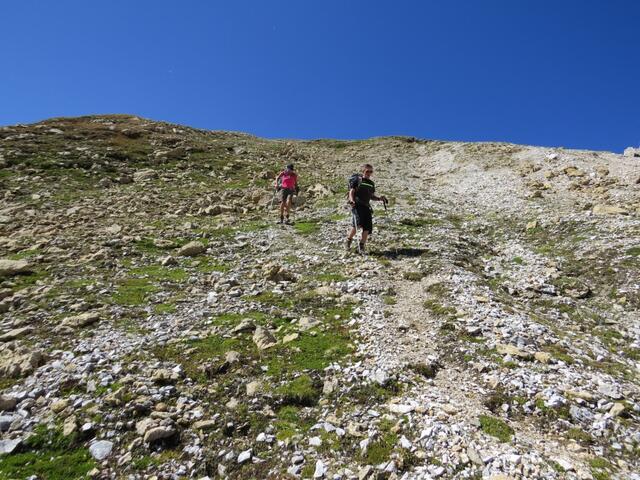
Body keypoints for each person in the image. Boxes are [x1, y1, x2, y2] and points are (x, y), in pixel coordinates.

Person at [346, 163, 387, 253]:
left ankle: (361, 247)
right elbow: (352, 191)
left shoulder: (371, 183)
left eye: (371, 171)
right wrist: (352, 200)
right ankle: (348, 241)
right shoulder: (358, 180)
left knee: (367, 228)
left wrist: (379, 198)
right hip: (357, 205)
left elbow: (371, 196)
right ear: (363, 171)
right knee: (358, 225)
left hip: (366, 206)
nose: (369, 173)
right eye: (367, 171)